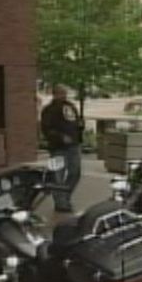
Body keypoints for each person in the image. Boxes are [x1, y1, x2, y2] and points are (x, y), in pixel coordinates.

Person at [40, 84, 83, 213]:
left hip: (74, 146)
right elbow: (46, 129)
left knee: (75, 172)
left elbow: (76, 122)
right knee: (57, 176)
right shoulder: (48, 110)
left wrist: (79, 130)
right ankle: (61, 203)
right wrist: (60, 137)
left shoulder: (70, 106)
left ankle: (65, 197)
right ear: (55, 94)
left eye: (65, 93)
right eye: (61, 93)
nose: (63, 95)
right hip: (57, 148)